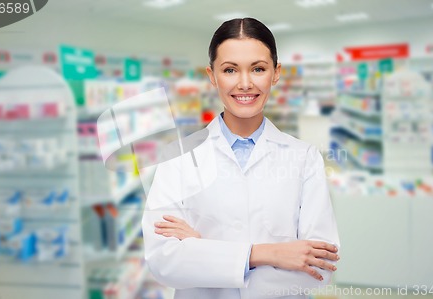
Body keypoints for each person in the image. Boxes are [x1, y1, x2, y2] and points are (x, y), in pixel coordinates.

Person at [141, 17, 340, 299]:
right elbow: (164, 262)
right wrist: (268, 254)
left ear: (275, 73)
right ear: (212, 75)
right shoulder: (178, 157)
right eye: (230, 70)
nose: (245, 83)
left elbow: (320, 269)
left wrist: (202, 250)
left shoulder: (304, 159)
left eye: (258, 69)